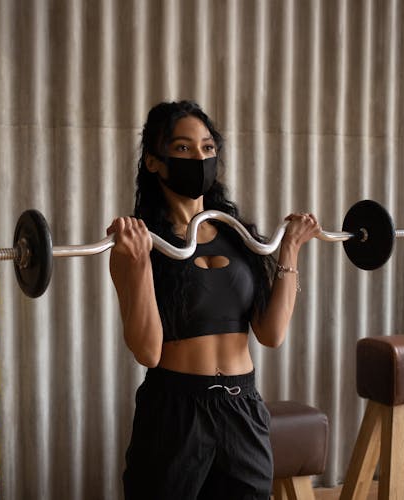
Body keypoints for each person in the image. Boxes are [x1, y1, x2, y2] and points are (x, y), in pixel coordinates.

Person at [106, 100, 321, 499]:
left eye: (207, 147)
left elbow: (271, 333)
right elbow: (148, 351)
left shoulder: (240, 237)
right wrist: (137, 266)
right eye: (183, 148)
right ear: (154, 161)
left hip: (242, 407)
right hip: (175, 411)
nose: (199, 157)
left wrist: (289, 250)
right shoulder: (139, 245)